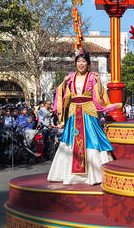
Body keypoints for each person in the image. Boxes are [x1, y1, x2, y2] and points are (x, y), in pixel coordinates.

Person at [48, 51, 121, 185]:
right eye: (78, 61)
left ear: (88, 64)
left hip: (88, 110)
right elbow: (63, 94)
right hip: (74, 111)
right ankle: (69, 173)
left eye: (83, 61)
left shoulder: (93, 77)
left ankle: (95, 174)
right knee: (71, 139)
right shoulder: (70, 77)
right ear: (75, 63)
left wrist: (99, 81)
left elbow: (99, 94)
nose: (81, 64)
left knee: (92, 138)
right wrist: (63, 84)